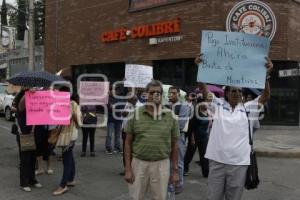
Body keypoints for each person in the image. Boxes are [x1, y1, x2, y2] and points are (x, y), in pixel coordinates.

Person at [195, 55, 273, 200]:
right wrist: (201, 69)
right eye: (233, 91)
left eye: (239, 91)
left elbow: (266, 96)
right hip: (217, 161)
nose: (237, 93)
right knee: (214, 196)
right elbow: (205, 92)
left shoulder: (249, 108)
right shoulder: (217, 105)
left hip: (239, 163)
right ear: (226, 94)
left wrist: (266, 75)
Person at [124, 80, 180, 200]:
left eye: (158, 92)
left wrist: (175, 171)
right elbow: (128, 142)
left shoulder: (171, 116)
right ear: (146, 94)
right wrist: (128, 168)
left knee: (159, 197)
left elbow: (175, 145)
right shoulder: (135, 114)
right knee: (136, 197)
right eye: (152, 92)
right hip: (138, 164)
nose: (155, 95)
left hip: (162, 164)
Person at [53, 91, 81, 196]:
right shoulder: (69, 105)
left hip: (68, 137)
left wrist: (73, 116)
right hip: (68, 136)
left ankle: (63, 185)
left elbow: (78, 122)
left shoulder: (71, 105)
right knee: (69, 158)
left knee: (67, 160)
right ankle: (71, 179)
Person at [16, 88, 42, 192]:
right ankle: (23, 183)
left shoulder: (33, 107)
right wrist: (27, 94)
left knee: (32, 158)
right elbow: (22, 104)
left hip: (33, 134)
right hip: (24, 135)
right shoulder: (21, 106)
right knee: (25, 159)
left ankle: (32, 180)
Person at [167, 86, 191, 196]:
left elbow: (181, 124)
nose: (171, 94)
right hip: (167, 137)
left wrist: (167, 125)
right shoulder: (166, 105)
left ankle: (178, 184)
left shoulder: (184, 105)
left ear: (178, 94)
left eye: (173, 93)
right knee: (168, 161)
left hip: (178, 137)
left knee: (178, 161)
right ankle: (170, 183)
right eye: (169, 93)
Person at [184, 97, 212, 178]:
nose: (207, 104)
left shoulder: (207, 113)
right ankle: (184, 169)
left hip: (204, 138)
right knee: (190, 154)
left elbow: (209, 125)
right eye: (205, 102)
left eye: (207, 102)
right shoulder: (196, 114)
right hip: (195, 137)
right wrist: (192, 139)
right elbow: (191, 128)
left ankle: (206, 172)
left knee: (204, 155)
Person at [105, 86, 124, 154]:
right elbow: (109, 106)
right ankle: (108, 148)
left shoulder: (119, 98)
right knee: (109, 134)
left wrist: (115, 106)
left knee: (118, 135)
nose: (113, 91)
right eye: (111, 90)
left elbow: (122, 106)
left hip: (119, 119)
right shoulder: (108, 99)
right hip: (111, 119)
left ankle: (117, 147)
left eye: (114, 90)